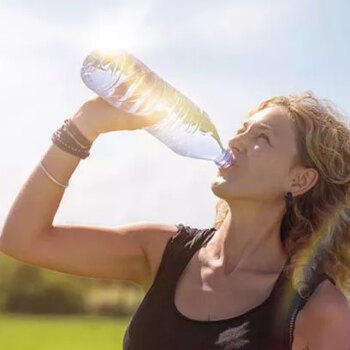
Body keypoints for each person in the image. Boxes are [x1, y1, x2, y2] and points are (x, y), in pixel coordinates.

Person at [1, 91, 350, 349]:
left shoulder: (319, 309)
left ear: (299, 180)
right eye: (242, 130)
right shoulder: (162, 251)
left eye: (261, 138)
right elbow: (22, 238)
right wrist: (86, 123)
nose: (236, 142)